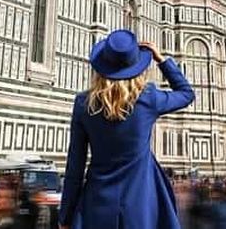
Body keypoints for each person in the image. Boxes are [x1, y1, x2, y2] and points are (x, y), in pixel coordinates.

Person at [59, 30, 195, 229]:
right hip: (142, 207)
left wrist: (65, 216)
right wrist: (162, 60)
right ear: (136, 67)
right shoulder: (149, 99)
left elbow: (75, 166)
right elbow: (186, 93)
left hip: (97, 206)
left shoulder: (83, 104)